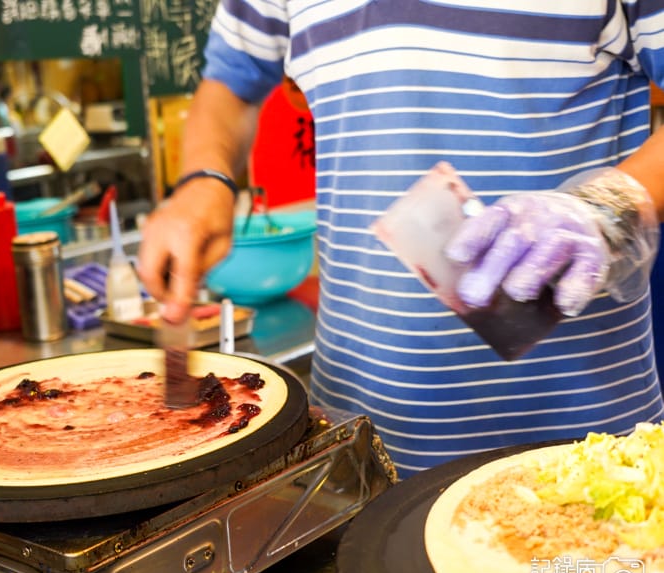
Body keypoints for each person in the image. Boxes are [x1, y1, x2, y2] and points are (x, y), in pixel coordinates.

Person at [136, 2, 664, 478]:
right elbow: (228, 85)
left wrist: (605, 207)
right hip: (358, 444)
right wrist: (204, 178)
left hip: (587, 449)